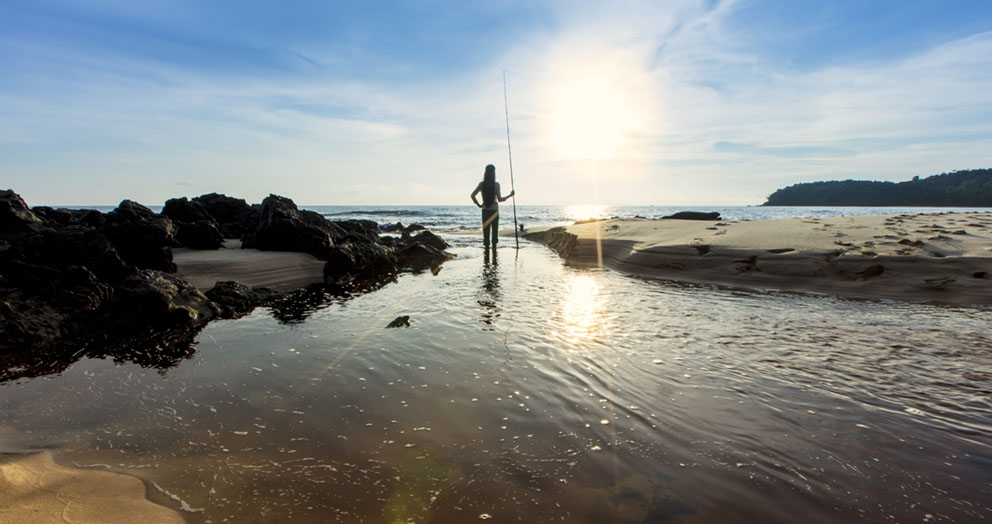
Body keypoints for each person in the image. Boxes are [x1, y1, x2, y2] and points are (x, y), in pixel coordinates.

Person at [470, 164, 514, 249]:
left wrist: (479, 204)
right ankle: (494, 255)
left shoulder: (482, 184)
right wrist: (510, 195)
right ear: (494, 173)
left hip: (485, 210)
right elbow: (500, 199)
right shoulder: (496, 184)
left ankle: (486, 255)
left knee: (486, 233)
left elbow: (472, 195)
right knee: (495, 232)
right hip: (494, 210)